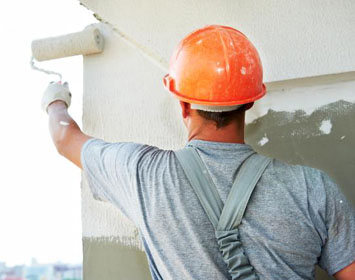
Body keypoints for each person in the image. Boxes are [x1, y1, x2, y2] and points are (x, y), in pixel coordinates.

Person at [42, 25, 355, 279]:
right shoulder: (313, 188)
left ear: (182, 104)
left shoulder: (145, 175)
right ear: (250, 102)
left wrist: (56, 98)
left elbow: (64, 137)